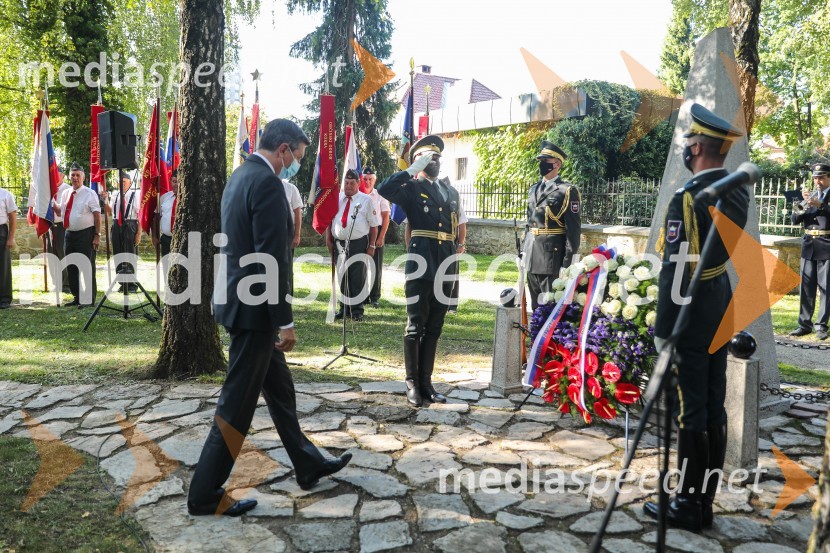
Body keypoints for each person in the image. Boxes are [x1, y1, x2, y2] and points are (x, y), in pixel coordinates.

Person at [188, 119, 351, 518]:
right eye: (296, 154)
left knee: (280, 390)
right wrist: (285, 320)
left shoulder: (240, 175)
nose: (296, 162)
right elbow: (269, 260)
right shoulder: (267, 184)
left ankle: (307, 463)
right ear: (282, 149)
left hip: (239, 302)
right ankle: (204, 494)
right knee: (236, 405)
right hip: (256, 313)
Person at [644, 103, 750, 532]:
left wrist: (664, 327)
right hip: (720, 300)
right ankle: (704, 499)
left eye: (689, 145)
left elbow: (676, 266)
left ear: (699, 147)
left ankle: (688, 505)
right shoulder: (738, 188)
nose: (686, 151)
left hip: (690, 306)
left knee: (690, 407)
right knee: (713, 403)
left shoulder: (690, 197)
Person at [377, 135, 468, 407]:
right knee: (416, 323)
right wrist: (411, 170)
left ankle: (427, 382)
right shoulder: (410, 188)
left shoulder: (450, 191)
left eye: (437, 158)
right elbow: (383, 189)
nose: (434, 163)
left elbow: (455, 224)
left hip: (445, 261)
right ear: (418, 161)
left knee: (435, 324)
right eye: (429, 158)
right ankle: (412, 383)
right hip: (421, 259)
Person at [524, 141, 581, 310]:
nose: (542, 164)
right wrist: (524, 252)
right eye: (541, 160)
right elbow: (529, 224)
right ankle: (536, 337)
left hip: (552, 258)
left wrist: (568, 264)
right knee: (535, 307)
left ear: (557, 164)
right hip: (532, 256)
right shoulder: (533, 189)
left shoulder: (567, 191)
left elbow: (573, 231)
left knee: (550, 307)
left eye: (546, 160)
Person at [326, 169, 380, 321]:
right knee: (342, 275)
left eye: (352, 183)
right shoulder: (337, 198)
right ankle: (344, 309)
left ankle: (357, 311)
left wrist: (372, 246)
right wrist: (328, 239)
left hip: (358, 243)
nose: (348, 186)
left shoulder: (365, 200)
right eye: (346, 183)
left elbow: (374, 225)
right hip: (339, 243)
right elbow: (331, 221)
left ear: (358, 183)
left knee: (357, 277)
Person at [789, 163, 830, 341]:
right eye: (815, 178)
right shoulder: (810, 196)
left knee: (826, 288)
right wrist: (800, 204)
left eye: (821, 177)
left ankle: (821, 326)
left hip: (827, 245)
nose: (817, 181)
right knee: (806, 287)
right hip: (808, 246)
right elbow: (795, 220)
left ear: (829, 177)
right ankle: (804, 324)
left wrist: (821, 205)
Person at [54, 163, 101, 308]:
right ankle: (77, 296)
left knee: (86, 266)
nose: (75, 178)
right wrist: (49, 200)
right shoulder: (66, 193)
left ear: (83, 177)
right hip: (69, 234)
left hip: (86, 234)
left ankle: (88, 299)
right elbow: (59, 212)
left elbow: (97, 215)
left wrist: (97, 235)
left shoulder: (89, 193)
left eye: (77, 175)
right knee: (72, 266)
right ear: (69, 176)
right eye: (72, 175)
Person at [102, 174, 141, 292]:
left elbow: (140, 214)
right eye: (120, 181)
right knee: (118, 253)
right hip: (116, 225)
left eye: (125, 181)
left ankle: (132, 284)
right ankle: (123, 283)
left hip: (130, 224)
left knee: (130, 253)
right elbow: (109, 212)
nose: (122, 183)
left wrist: (138, 233)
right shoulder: (115, 194)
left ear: (130, 182)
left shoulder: (136, 194)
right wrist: (105, 200)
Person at [361, 167, 390, 307]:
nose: (367, 182)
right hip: (361, 231)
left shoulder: (380, 195)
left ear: (375, 180)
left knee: (376, 266)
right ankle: (362, 295)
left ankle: (375, 297)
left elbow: (385, 217)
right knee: (361, 265)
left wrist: (381, 236)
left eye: (370, 179)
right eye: (365, 179)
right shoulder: (358, 194)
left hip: (376, 231)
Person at [50, 171, 71, 293]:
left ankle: (67, 284)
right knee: (52, 255)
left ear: (63, 176)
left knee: (63, 254)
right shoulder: (48, 189)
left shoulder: (67, 189)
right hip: (50, 225)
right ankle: (56, 282)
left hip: (62, 225)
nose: (55, 177)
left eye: (58, 174)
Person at [0, 185, 17, 309]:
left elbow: (12, 217)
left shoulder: (6, 194)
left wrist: (10, 238)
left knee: (3, 266)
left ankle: (5, 299)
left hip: (1, 231)